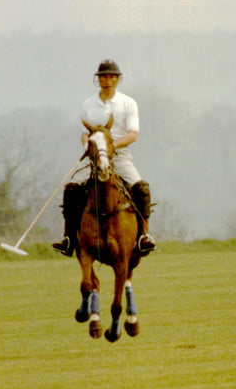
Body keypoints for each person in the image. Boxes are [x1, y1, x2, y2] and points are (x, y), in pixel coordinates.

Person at [52, 59, 157, 257]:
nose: (107, 80)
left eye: (111, 76)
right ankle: (68, 238)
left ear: (118, 79)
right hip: (94, 158)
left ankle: (144, 236)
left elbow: (133, 134)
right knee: (71, 189)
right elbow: (84, 133)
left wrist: (109, 146)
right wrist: (88, 144)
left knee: (141, 188)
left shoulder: (128, 103)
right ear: (97, 80)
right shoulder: (88, 104)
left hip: (120, 156)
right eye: (103, 77)